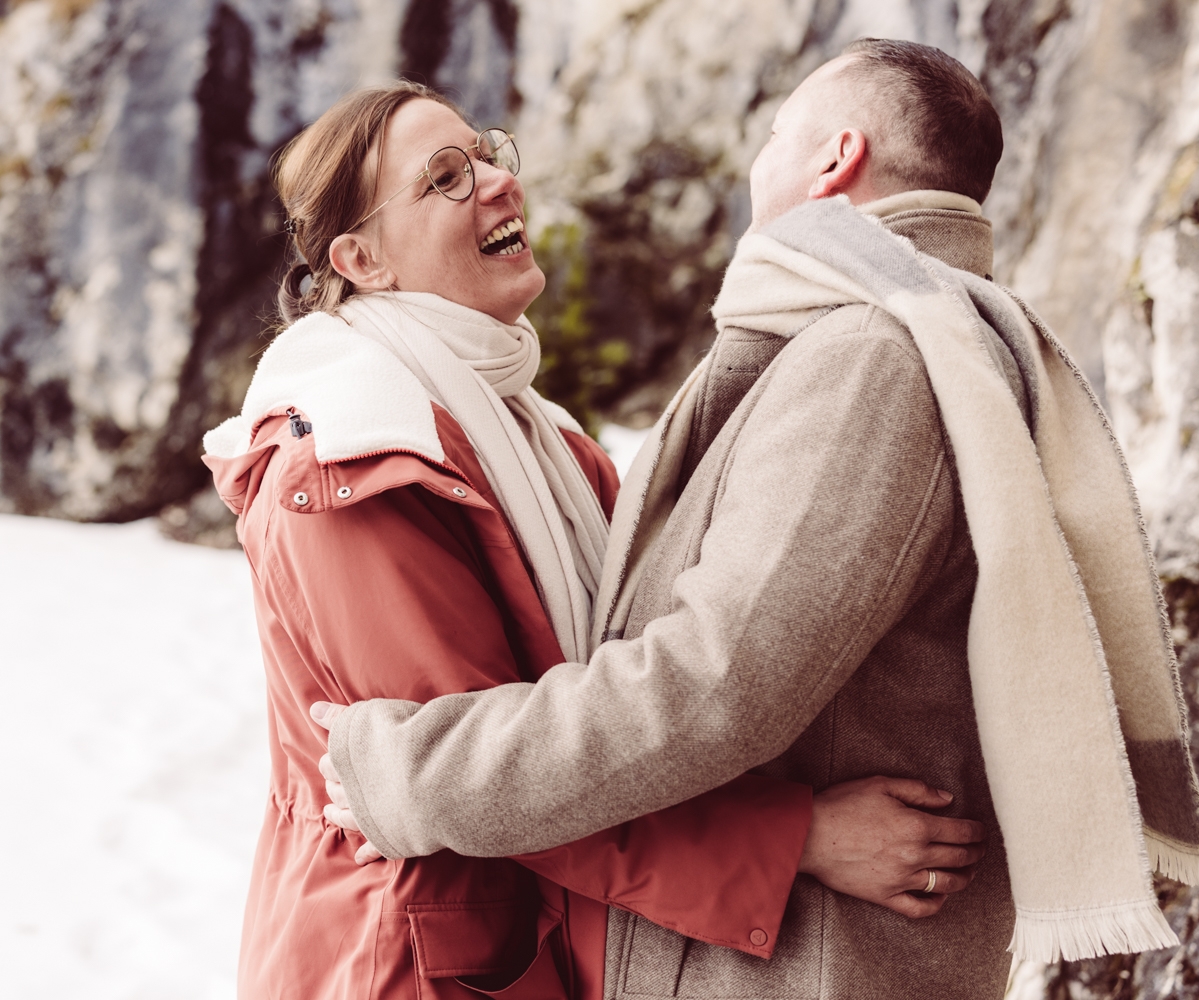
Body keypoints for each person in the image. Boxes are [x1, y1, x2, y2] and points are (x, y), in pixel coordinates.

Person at [313, 41, 1199, 1000]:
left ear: (835, 158)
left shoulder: (869, 360)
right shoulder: (896, 341)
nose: (758, 159)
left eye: (777, 131)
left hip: (800, 968)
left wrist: (413, 780)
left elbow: (706, 689)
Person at [202, 80, 989, 1000]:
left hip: (527, 942)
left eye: (489, 153)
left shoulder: (545, 440)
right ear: (362, 260)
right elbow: (481, 774)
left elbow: (581, 730)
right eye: (445, 178)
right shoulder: (346, 464)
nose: (497, 183)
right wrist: (794, 840)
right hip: (404, 960)